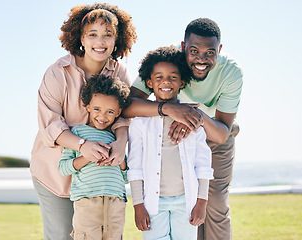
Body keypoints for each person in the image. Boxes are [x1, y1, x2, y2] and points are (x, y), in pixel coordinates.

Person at [124, 18, 243, 240]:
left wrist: (192, 116)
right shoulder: (166, 62)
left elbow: (221, 134)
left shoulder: (231, 72)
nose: (201, 59)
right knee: (186, 207)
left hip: (213, 129)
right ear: (183, 47)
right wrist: (170, 109)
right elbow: (129, 105)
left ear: (220, 50)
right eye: (194, 50)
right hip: (170, 128)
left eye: (210, 52)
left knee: (214, 201)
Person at [30, 3, 137, 240]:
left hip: (98, 180)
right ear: (81, 37)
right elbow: (50, 125)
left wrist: (120, 143)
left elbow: (124, 117)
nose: (100, 41)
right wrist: (82, 145)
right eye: (93, 34)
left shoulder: (120, 73)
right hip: (55, 174)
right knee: (62, 236)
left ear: (117, 39)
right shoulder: (58, 72)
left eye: (108, 35)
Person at [127, 46, 214, 239]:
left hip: (187, 203)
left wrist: (202, 201)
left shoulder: (192, 119)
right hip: (152, 205)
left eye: (173, 77)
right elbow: (135, 167)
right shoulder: (140, 123)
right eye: (159, 77)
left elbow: (203, 162)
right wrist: (138, 205)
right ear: (149, 82)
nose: (166, 81)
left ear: (182, 82)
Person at [58, 74, 131, 240]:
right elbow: (63, 168)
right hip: (87, 202)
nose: (102, 116)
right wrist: (87, 156)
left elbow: (126, 177)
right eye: (97, 109)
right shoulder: (77, 133)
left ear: (118, 112)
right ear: (88, 106)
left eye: (110, 112)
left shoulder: (116, 139)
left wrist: (120, 161)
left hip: (116, 203)